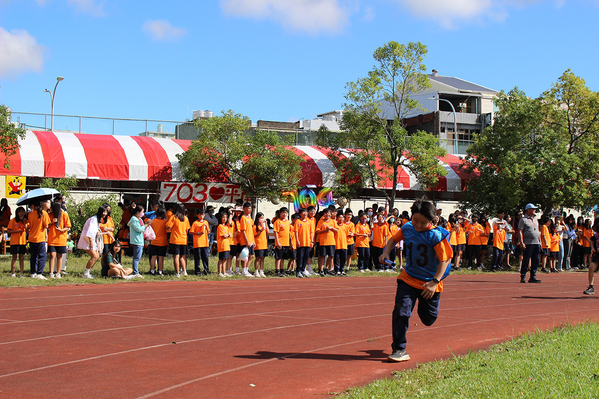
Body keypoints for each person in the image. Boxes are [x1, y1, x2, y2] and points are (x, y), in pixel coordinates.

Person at [379, 199, 452, 362]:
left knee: (428, 319)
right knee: (401, 311)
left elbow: (445, 260)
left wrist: (434, 282)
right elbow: (393, 240)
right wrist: (385, 253)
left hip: (429, 284)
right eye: (415, 220)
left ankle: (424, 307)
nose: (418, 225)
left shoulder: (436, 235)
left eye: (423, 222)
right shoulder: (407, 228)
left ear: (432, 221)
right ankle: (399, 348)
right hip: (408, 279)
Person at [78, 205, 107, 279]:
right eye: (103, 212)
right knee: (94, 256)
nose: (105, 214)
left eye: (106, 212)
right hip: (87, 239)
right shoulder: (94, 219)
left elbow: (94, 230)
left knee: (97, 256)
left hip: (91, 239)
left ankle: (87, 272)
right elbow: (90, 231)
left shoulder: (98, 219)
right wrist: (91, 241)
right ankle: (86, 273)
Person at [518, 204, 542, 284]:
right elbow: (520, 231)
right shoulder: (523, 220)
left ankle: (533, 276)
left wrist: (540, 241)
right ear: (528, 210)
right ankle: (523, 275)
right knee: (526, 259)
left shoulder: (535, 219)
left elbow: (538, 231)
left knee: (536, 260)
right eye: (533, 209)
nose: (535, 210)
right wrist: (521, 242)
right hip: (528, 243)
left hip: (536, 243)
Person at [47, 201, 71, 279]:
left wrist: (62, 230)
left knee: (59, 256)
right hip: (52, 239)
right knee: (52, 255)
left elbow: (68, 226)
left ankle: (58, 272)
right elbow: (46, 226)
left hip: (61, 238)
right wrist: (51, 222)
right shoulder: (49, 215)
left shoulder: (64, 215)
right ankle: (51, 272)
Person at [28, 198, 51, 279]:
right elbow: (47, 226)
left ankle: (33, 272)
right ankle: (39, 272)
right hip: (40, 237)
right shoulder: (44, 213)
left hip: (31, 237)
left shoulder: (30, 214)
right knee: (42, 256)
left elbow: (29, 225)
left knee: (33, 256)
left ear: (33, 206)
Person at [167, 204, 190, 277]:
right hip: (183, 239)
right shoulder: (185, 218)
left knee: (176, 257)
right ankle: (184, 271)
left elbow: (167, 226)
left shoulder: (174, 217)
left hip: (175, 239)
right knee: (182, 256)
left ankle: (177, 273)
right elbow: (187, 228)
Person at [315, 208, 337, 276]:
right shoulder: (321, 221)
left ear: (331, 214)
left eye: (328, 213)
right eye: (326, 213)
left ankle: (330, 270)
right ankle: (321, 270)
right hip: (323, 242)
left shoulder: (333, 221)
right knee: (322, 256)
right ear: (323, 214)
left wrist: (331, 228)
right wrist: (324, 230)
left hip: (331, 242)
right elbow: (318, 231)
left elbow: (337, 230)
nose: (327, 214)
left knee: (331, 256)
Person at [7, 206, 27, 277]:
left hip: (22, 242)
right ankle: (13, 273)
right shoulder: (13, 221)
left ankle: (21, 273)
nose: (21, 213)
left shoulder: (25, 221)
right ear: (17, 213)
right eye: (20, 211)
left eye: (23, 211)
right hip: (14, 242)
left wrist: (26, 223)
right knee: (14, 257)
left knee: (21, 257)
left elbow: (27, 230)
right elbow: (8, 230)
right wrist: (16, 231)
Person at [294, 208, 314, 278]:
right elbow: (296, 232)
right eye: (303, 212)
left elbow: (311, 232)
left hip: (307, 242)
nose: (305, 214)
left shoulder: (309, 221)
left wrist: (312, 241)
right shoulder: (298, 221)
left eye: (306, 212)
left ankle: (303, 269)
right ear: (300, 214)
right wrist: (297, 241)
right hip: (301, 242)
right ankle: (298, 270)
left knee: (306, 257)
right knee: (300, 257)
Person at [128, 205, 147, 278]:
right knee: (136, 258)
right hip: (137, 241)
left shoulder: (138, 219)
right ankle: (136, 272)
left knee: (137, 257)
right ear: (138, 212)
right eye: (142, 212)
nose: (143, 213)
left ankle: (136, 271)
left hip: (139, 240)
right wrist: (146, 225)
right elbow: (139, 229)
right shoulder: (134, 220)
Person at [190, 209, 210, 276]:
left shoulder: (206, 222)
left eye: (203, 214)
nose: (202, 216)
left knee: (205, 257)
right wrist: (198, 233)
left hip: (205, 243)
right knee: (197, 257)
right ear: (197, 215)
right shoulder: (195, 223)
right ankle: (197, 271)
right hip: (198, 243)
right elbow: (191, 231)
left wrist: (206, 226)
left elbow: (208, 231)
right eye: (200, 214)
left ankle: (206, 270)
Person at [273, 207, 292, 277]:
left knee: (283, 258)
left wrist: (290, 242)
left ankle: (281, 270)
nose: (284, 214)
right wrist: (277, 242)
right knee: (278, 258)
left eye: (286, 212)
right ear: (280, 213)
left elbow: (289, 232)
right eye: (283, 212)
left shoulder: (287, 222)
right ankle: (277, 271)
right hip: (280, 243)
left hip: (286, 243)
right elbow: (276, 232)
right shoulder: (277, 221)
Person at [149, 207, 168, 275]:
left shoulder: (153, 221)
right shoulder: (165, 222)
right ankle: (160, 271)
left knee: (153, 257)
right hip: (162, 242)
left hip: (153, 241)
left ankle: (152, 270)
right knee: (161, 257)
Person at [583, 218, 599, 295]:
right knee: (591, 267)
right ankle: (591, 287)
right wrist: (592, 248)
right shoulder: (596, 235)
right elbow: (592, 239)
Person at [216, 212, 232, 277]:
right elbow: (225, 235)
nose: (224, 219)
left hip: (227, 245)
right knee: (221, 259)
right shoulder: (220, 226)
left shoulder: (226, 227)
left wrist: (228, 235)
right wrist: (228, 235)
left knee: (225, 259)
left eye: (226, 217)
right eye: (223, 217)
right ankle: (219, 272)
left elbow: (230, 235)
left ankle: (224, 272)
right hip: (222, 245)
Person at [253, 212, 268, 277]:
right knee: (258, 258)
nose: (262, 219)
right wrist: (260, 230)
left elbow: (267, 231)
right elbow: (254, 235)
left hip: (264, 243)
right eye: (260, 218)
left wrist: (266, 224)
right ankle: (256, 271)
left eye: (263, 218)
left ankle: (261, 271)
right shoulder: (255, 226)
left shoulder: (264, 225)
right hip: (258, 243)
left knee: (262, 258)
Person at [333, 210, 348, 276]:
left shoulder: (345, 226)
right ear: (337, 218)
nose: (341, 219)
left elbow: (347, 234)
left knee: (343, 258)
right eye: (339, 217)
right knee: (336, 258)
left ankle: (342, 270)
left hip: (344, 245)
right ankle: (337, 270)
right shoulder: (335, 225)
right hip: (337, 245)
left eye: (342, 217)